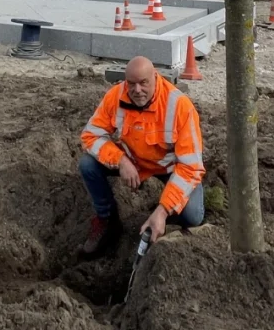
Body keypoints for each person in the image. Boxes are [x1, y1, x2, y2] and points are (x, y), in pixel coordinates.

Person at [78, 56, 205, 255]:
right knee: (87, 165)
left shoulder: (180, 106)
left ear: (155, 77)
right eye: (131, 84)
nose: (137, 90)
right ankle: (107, 219)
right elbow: (90, 136)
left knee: (193, 216)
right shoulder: (116, 96)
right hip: (133, 161)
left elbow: (191, 167)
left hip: (170, 168)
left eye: (143, 83)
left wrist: (163, 210)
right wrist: (121, 160)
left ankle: (159, 220)